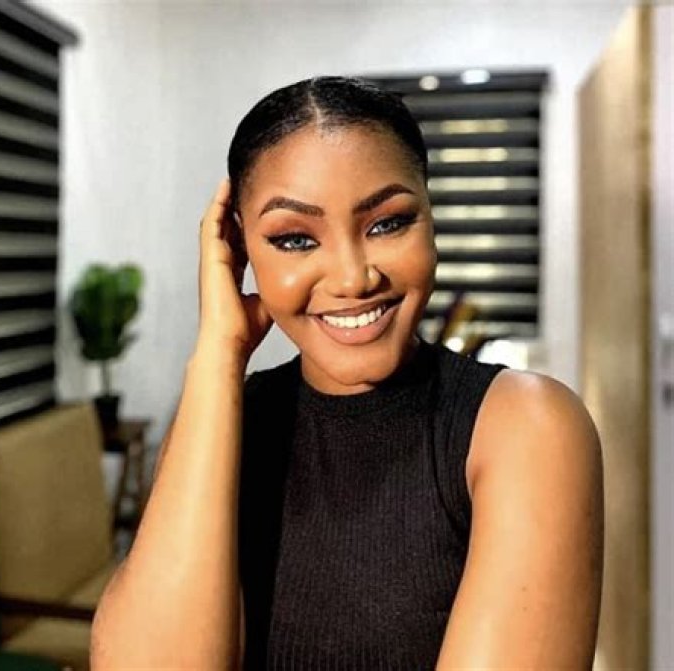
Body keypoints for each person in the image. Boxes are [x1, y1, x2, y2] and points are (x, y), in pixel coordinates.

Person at [91, 76, 604, 670]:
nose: (353, 278)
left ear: (430, 219)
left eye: (387, 223)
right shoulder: (219, 422)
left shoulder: (527, 425)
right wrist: (218, 351)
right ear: (241, 251)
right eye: (294, 239)